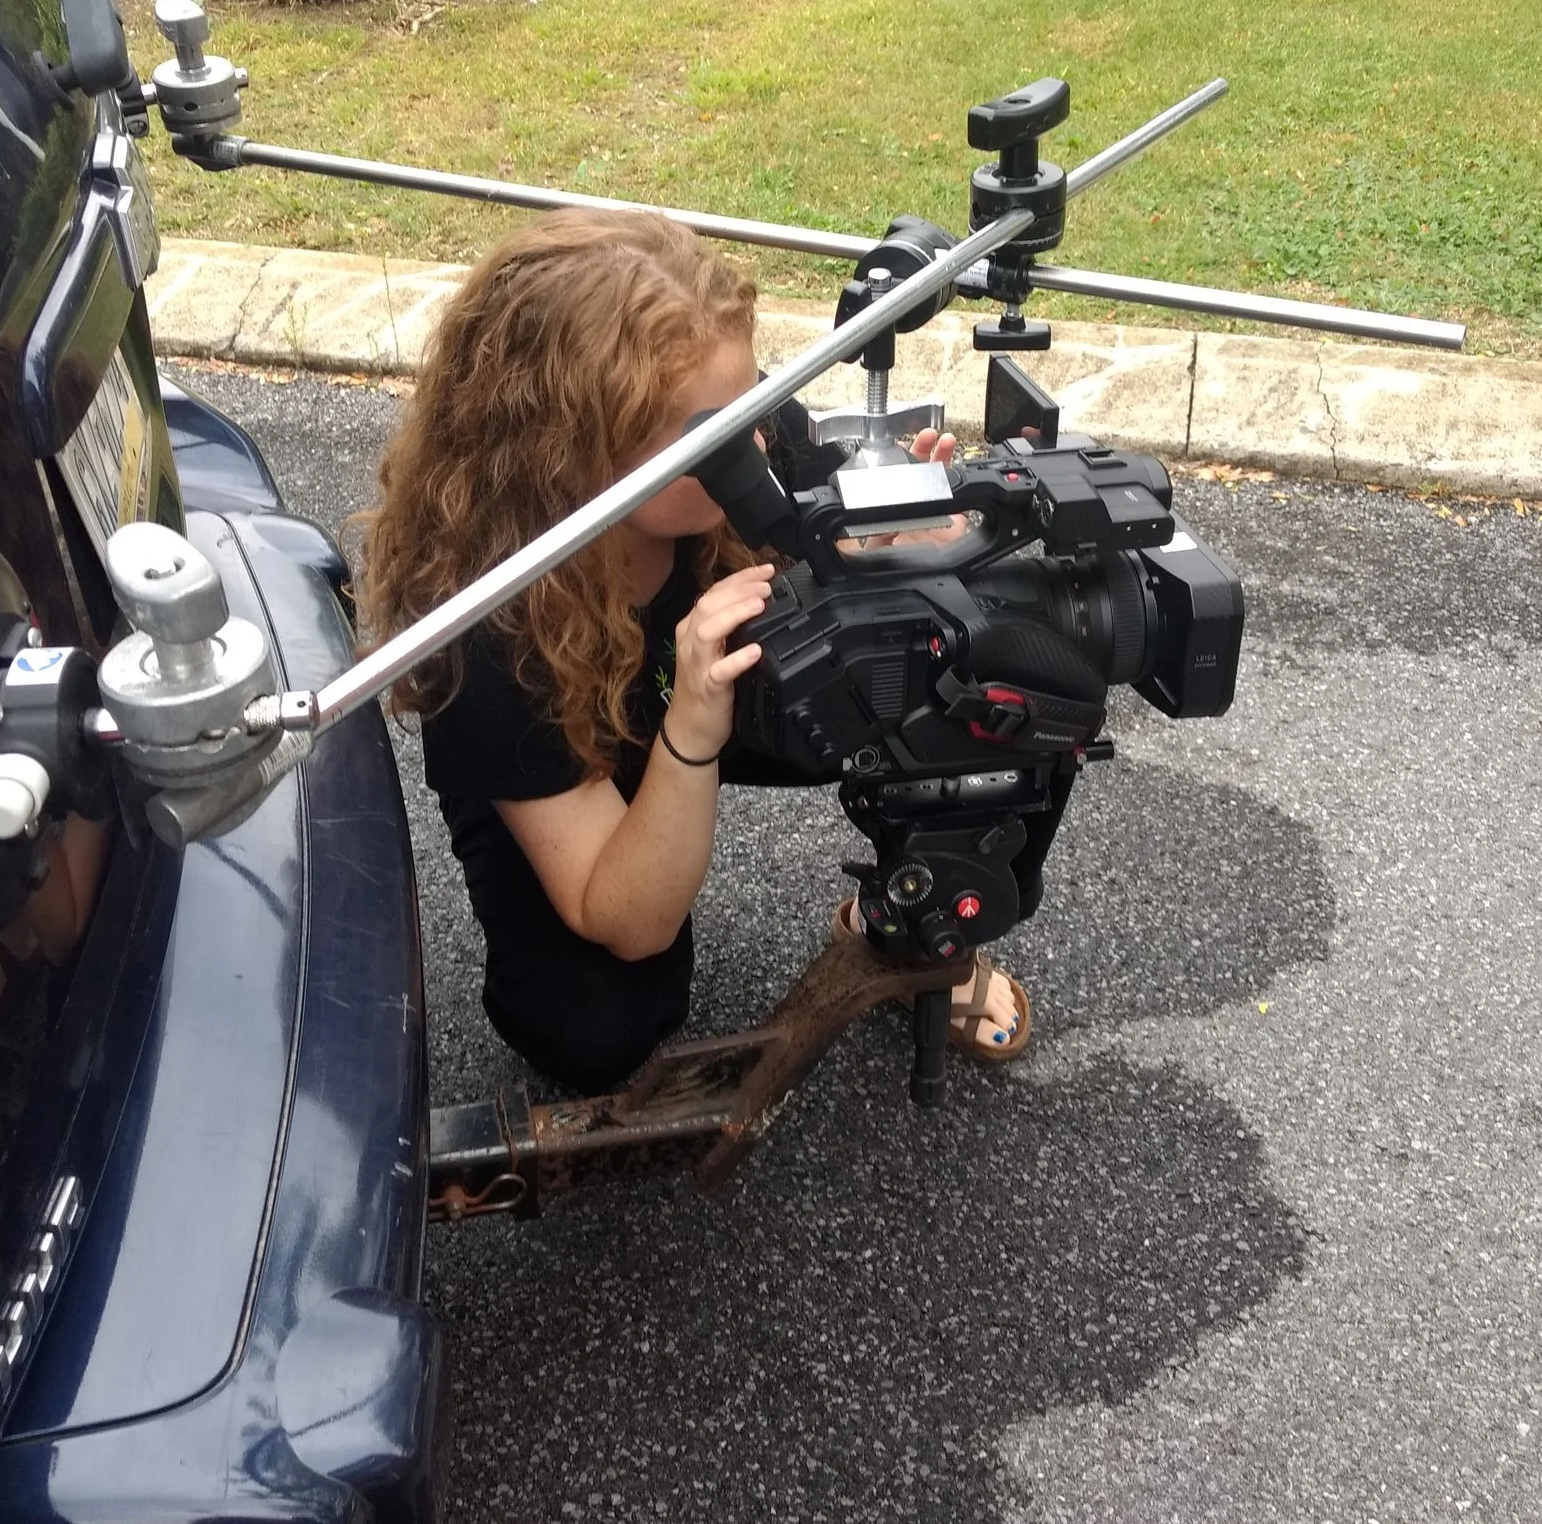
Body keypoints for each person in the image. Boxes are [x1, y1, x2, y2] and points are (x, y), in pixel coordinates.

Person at [362, 209, 1069, 1093]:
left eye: (753, 405)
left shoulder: (743, 433)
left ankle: (912, 918)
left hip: (708, 677)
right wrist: (689, 729)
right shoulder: (488, 631)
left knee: (953, 675)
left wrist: (894, 552)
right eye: (711, 434)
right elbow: (626, 918)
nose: (756, 446)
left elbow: (843, 546)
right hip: (574, 744)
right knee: (599, 1030)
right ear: (572, 450)